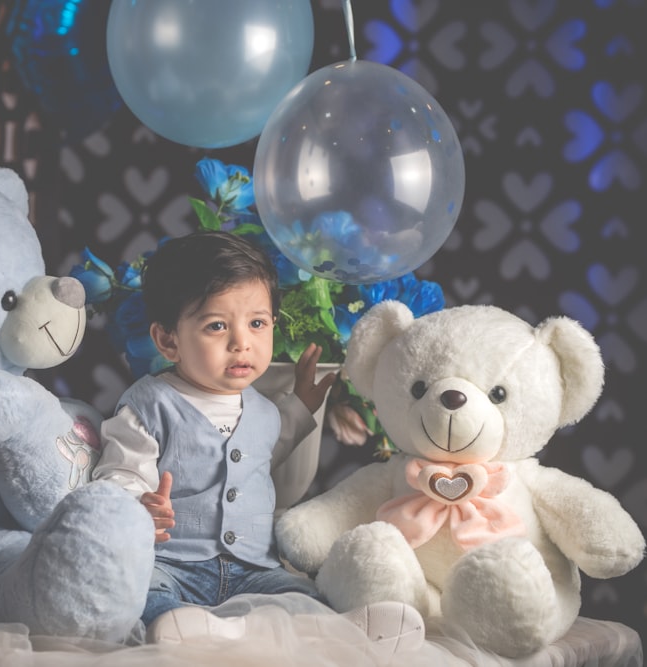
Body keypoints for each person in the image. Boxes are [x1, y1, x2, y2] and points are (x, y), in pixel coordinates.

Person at [92, 230, 424, 653]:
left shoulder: (264, 410)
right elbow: (120, 469)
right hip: (172, 562)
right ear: (168, 340)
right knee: (141, 594)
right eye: (216, 326)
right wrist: (138, 505)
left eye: (257, 323)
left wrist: (302, 405)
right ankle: (189, 629)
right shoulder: (150, 403)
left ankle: (345, 631)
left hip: (253, 566)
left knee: (296, 593)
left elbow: (271, 446)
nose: (241, 342)